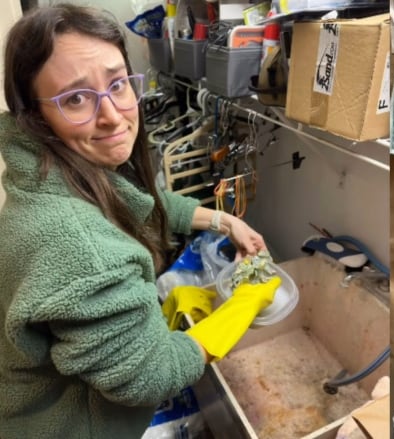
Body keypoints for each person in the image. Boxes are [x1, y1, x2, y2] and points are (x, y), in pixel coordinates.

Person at [0, 4, 276, 438]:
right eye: (75, 98)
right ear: (35, 118)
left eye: (117, 85)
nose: (111, 115)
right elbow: (153, 375)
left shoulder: (51, 173)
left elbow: (140, 201)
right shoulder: (78, 246)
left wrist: (223, 221)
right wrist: (243, 304)